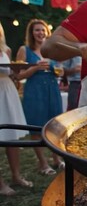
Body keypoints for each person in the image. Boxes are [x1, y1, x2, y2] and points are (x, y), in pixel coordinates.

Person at [15, 19, 64, 176]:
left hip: (52, 89)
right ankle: (43, 164)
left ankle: (56, 159)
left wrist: (58, 70)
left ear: (47, 33)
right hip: (35, 91)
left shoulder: (52, 50)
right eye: (37, 30)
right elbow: (18, 75)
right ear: (31, 33)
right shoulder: (25, 50)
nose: (40, 33)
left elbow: (61, 71)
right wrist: (35, 67)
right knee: (35, 128)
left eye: (43, 30)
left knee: (54, 126)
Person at [0, 22, 33, 195]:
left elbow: (12, 75)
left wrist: (16, 71)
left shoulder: (6, 50)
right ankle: (0, 183)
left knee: (12, 137)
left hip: (7, 91)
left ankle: (16, 176)